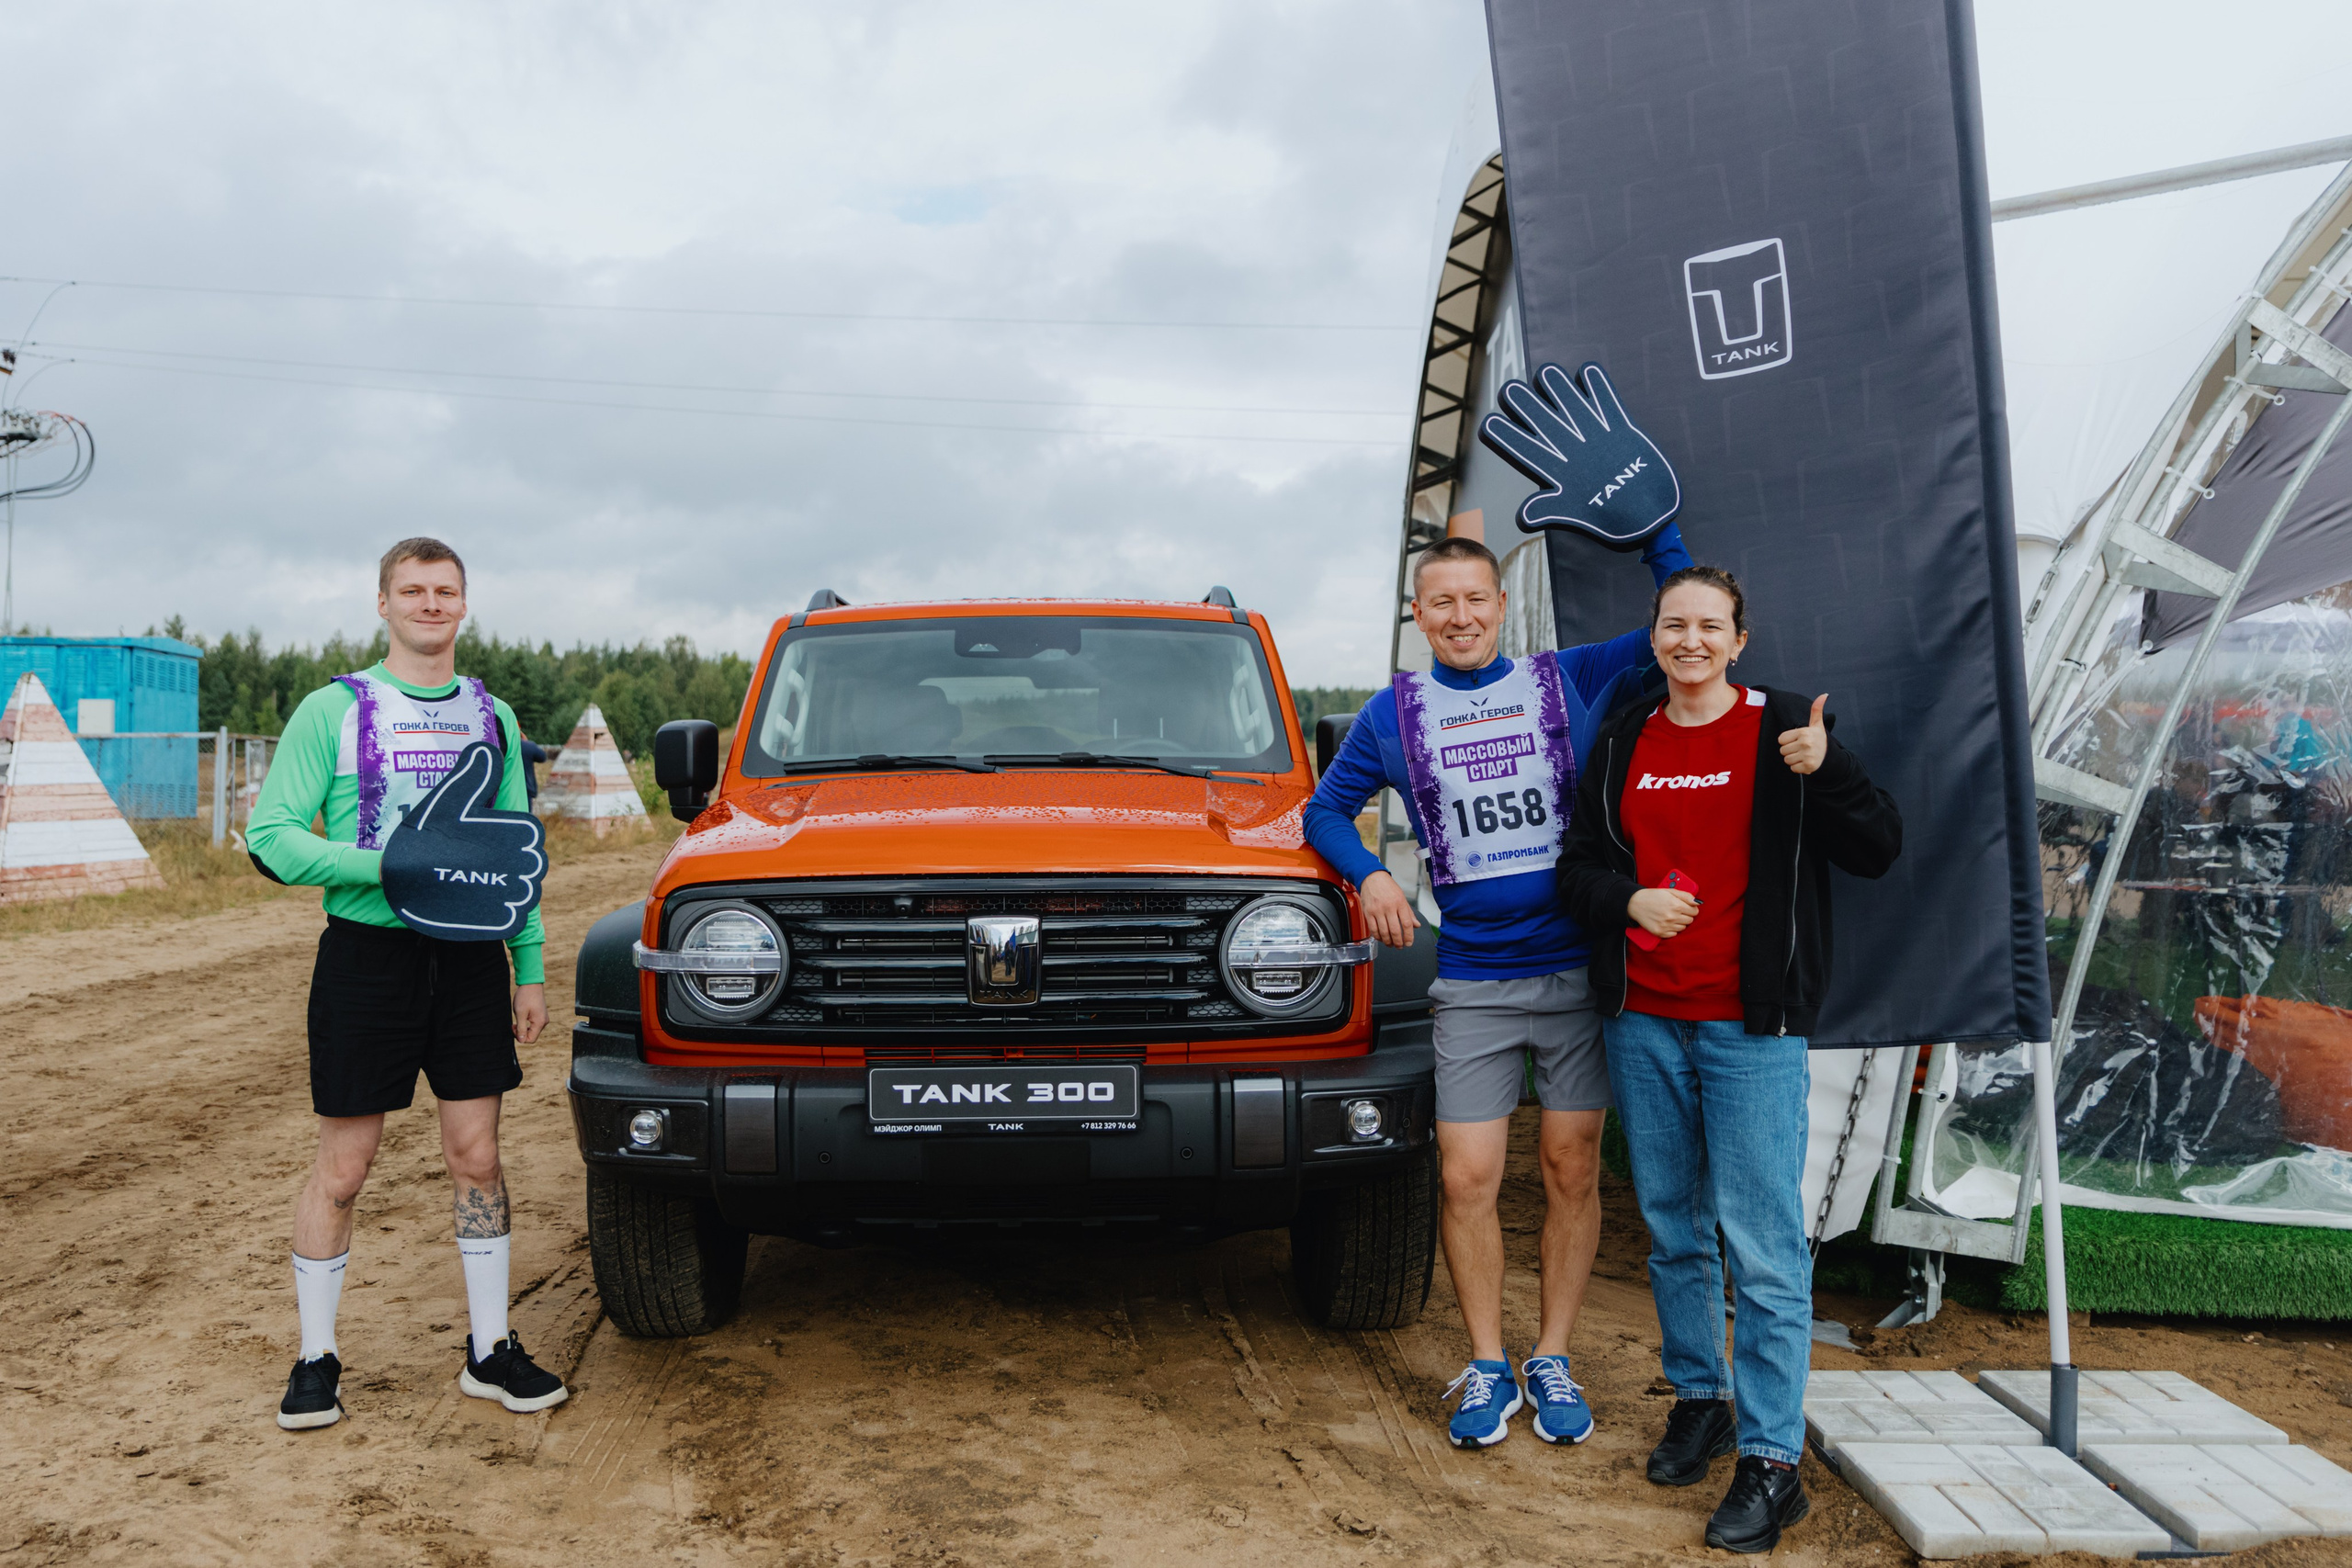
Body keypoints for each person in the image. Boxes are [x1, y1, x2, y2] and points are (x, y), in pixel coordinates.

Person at [1303, 524, 1690, 1450]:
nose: (1461, 615)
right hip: (1472, 975)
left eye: (1476, 598)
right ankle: (1485, 1367)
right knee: (1467, 1176)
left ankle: (1551, 1355)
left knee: (1568, 1168)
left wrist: (1661, 535)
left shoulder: (1565, 679)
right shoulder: (1390, 713)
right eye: (1442, 601)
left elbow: (1676, 627)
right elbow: (1322, 807)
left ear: (1500, 606)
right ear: (1418, 614)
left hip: (1572, 968)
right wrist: (1371, 872)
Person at [1556, 566, 1900, 1553]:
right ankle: (1700, 1400)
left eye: (1710, 626)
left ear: (1738, 639)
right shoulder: (1625, 733)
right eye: (1675, 625)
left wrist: (1825, 769)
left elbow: (1879, 847)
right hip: (1644, 1018)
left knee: (1761, 1244)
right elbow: (1576, 864)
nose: (1690, 640)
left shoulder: (1786, 727)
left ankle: (1772, 1462)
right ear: (1654, 635)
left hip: (1751, 1029)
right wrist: (1626, 902)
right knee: (1671, 1226)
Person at [245, 536, 569, 1431]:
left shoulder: (492, 718)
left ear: (464, 606)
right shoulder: (333, 710)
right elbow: (272, 834)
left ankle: (490, 1349)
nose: (431, 605)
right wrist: (382, 862)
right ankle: (315, 1358)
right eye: (414, 591)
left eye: (446, 591)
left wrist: (530, 968)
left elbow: (514, 858)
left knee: (478, 1156)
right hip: (365, 959)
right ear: (382, 603)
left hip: (468, 964)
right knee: (343, 1170)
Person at [519, 731, 549, 804]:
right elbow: (543, 757)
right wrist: (526, 742)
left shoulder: (500, 744)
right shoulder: (528, 746)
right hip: (526, 789)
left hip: (505, 790)